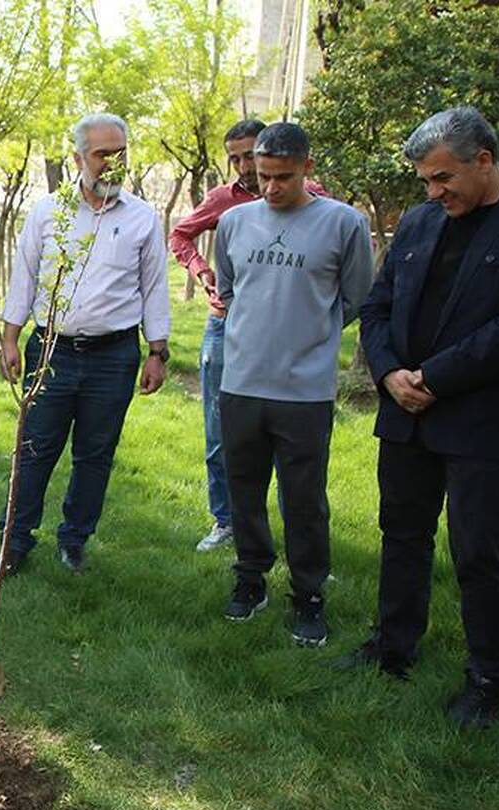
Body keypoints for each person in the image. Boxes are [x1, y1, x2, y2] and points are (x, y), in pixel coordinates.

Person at [343, 107, 499, 728]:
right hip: (405, 411)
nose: (433, 192)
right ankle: (392, 648)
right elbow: (376, 307)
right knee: (401, 533)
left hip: (482, 418)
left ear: (485, 160)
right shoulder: (421, 221)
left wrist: (433, 378)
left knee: (479, 551)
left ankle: (487, 682)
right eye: (426, 180)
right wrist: (389, 373)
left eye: (443, 177)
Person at [213, 122, 372, 646]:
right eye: (263, 176)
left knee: (304, 499)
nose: (271, 187)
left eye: (283, 177)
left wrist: (308, 337)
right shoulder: (234, 222)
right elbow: (229, 290)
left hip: (305, 390)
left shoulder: (344, 223)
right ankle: (250, 578)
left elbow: (355, 298)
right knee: (244, 490)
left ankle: (308, 595)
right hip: (241, 382)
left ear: (307, 167)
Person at [0, 112, 170, 574]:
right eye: (101, 154)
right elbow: (24, 277)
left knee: (95, 455)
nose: (112, 163)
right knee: (34, 449)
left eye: (120, 154)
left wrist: (157, 351)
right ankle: (13, 541)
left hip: (114, 356)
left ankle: (74, 540)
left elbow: (154, 288)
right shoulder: (48, 212)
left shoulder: (142, 218)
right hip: (52, 351)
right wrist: (10, 338)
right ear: (78, 158)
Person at [169, 119, 328, 552]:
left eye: (248, 155)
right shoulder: (224, 200)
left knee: (295, 438)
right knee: (221, 429)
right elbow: (180, 234)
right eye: (235, 158)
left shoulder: (317, 200)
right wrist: (202, 273)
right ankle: (226, 520)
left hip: (290, 333)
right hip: (227, 325)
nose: (242, 167)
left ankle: (297, 532)